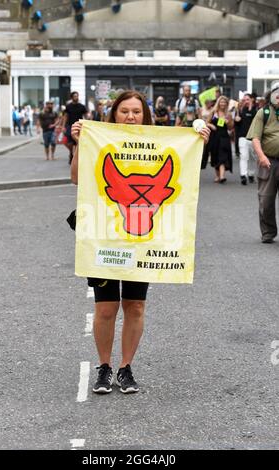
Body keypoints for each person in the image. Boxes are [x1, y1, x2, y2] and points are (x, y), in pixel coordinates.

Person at [70, 90, 210, 395]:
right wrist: (81, 144)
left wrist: (197, 141)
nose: (130, 116)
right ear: (114, 114)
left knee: (135, 305)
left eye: (136, 111)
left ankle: (125, 368)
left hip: (144, 243)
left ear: (144, 115)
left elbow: (185, 171)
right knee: (105, 308)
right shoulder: (98, 138)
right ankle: (104, 367)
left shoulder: (162, 142)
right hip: (104, 238)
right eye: (124, 111)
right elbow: (78, 179)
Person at [246, 81, 279, 244]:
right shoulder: (263, 113)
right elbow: (255, 138)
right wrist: (261, 156)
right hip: (269, 162)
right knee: (266, 201)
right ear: (271, 95)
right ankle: (268, 232)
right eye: (276, 92)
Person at [207, 95, 234, 183]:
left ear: (227, 104)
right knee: (215, 156)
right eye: (221, 102)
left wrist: (228, 122)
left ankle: (222, 176)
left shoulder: (228, 114)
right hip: (214, 136)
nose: (223, 104)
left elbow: (230, 128)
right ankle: (218, 176)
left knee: (223, 155)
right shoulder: (214, 112)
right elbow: (206, 122)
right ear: (218, 103)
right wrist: (211, 125)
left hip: (224, 137)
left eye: (224, 102)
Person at [234, 93, 257, 185]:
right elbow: (236, 125)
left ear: (252, 100)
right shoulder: (239, 110)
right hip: (242, 137)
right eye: (244, 100)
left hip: (253, 138)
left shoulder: (256, 110)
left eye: (247, 99)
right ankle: (243, 175)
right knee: (243, 156)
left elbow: (256, 120)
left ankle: (251, 174)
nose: (245, 101)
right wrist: (236, 120)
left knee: (253, 158)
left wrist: (251, 108)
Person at [63, 91, 88, 164]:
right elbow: (65, 116)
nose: (76, 97)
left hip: (79, 126)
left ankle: (76, 157)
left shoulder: (81, 106)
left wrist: (87, 123)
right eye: (74, 96)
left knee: (78, 142)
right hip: (70, 126)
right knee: (70, 143)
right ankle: (71, 153)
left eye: (77, 96)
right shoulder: (68, 106)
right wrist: (63, 126)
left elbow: (86, 115)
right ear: (72, 97)